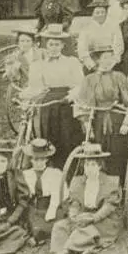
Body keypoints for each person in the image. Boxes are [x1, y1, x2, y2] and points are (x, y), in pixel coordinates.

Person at [20, 23, 84, 169]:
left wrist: (71, 96)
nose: (54, 47)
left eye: (57, 44)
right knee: (48, 138)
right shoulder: (38, 65)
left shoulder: (71, 62)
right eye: (51, 44)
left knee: (68, 139)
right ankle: (50, 171)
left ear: (62, 46)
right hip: (47, 105)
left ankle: (69, 172)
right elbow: (35, 87)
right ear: (46, 45)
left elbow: (80, 85)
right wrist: (24, 96)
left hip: (66, 103)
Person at [74, 45, 128, 181]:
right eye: (104, 58)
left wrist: (127, 122)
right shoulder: (89, 79)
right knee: (97, 152)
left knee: (118, 154)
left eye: (110, 57)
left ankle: (118, 185)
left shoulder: (119, 77)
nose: (108, 61)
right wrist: (88, 126)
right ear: (98, 60)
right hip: (97, 121)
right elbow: (84, 105)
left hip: (117, 121)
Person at [50, 143, 122, 254]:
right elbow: (75, 202)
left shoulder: (110, 182)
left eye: (93, 165)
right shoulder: (78, 181)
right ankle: (62, 249)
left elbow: (108, 207)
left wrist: (93, 218)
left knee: (87, 228)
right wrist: (73, 215)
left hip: (102, 219)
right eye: (87, 165)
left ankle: (66, 251)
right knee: (60, 226)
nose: (89, 168)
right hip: (83, 215)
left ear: (99, 166)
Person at [21, 139, 64, 246]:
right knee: (28, 222)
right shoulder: (25, 174)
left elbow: (57, 195)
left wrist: (52, 210)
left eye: (42, 159)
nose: (39, 162)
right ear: (31, 160)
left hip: (48, 207)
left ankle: (39, 235)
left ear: (46, 159)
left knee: (53, 222)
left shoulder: (55, 173)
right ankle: (35, 234)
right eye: (36, 159)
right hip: (33, 208)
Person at [76, 0, 124, 72]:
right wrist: (92, 66)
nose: (100, 15)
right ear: (92, 14)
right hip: (93, 60)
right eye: (97, 13)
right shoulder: (86, 28)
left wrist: (112, 63)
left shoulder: (114, 26)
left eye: (103, 12)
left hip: (110, 60)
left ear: (106, 13)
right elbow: (82, 50)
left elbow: (118, 46)